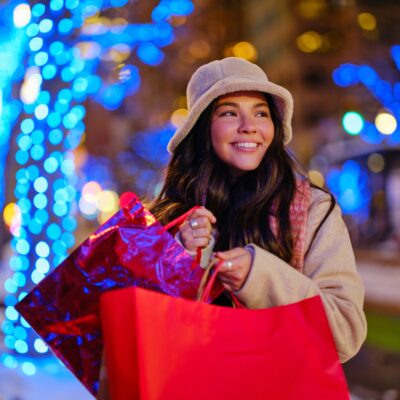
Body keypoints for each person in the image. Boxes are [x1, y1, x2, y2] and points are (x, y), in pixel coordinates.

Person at [149, 56, 367, 363]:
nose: (249, 127)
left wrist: (260, 276)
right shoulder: (168, 220)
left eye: (261, 113)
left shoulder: (312, 211)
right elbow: (145, 337)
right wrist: (182, 258)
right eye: (229, 113)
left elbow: (345, 335)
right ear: (201, 129)